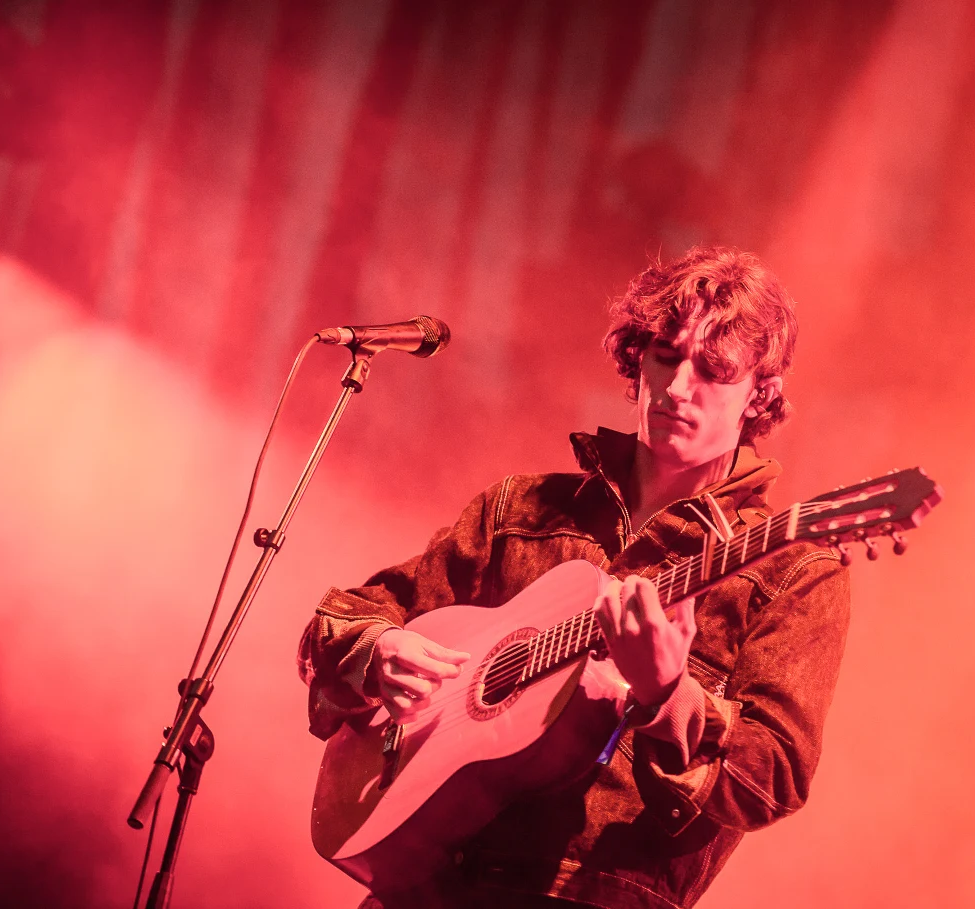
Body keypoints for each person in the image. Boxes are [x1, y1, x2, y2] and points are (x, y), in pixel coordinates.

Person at [298, 246, 851, 909]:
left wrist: (667, 694)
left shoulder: (794, 570)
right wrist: (374, 651)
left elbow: (774, 777)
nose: (678, 387)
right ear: (637, 357)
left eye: (713, 370)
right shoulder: (517, 509)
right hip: (422, 884)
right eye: (667, 356)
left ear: (760, 391)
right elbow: (355, 612)